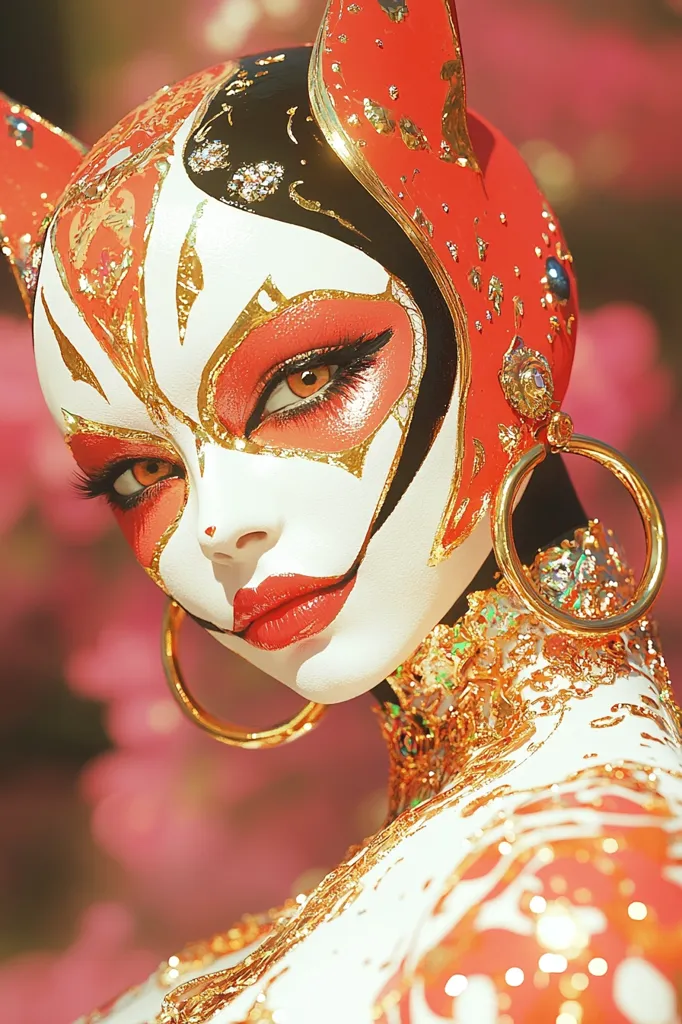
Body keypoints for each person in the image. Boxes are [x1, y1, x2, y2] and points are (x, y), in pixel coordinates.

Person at [1, 0, 681, 1020]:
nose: (216, 523)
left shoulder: (576, 903)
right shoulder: (467, 867)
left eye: (303, 381)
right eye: (140, 475)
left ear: (495, 306)